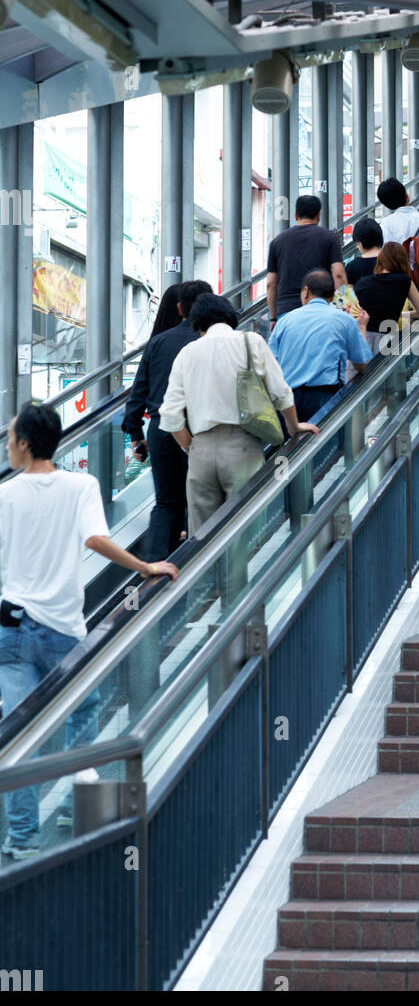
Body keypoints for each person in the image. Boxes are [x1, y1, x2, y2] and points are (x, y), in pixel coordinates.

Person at [0, 404, 179, 857]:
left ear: (24, 443)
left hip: (13, 626)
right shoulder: (81, 485)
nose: (6, 445)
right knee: (83, 709)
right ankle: (76, 788)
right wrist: (145, 565)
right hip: (62, 627)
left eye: (9, 437)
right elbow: (96, 539)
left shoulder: (6, 495)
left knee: (20, 733)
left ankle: (22, 840)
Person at [159, 294, 318, 530]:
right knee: (245, 531)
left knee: (202, 538)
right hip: (242, 447)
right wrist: (294, 426)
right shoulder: (250, 342)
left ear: (198, 323)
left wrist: (190, 446)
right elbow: (280, 392)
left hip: (201, 451)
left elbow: (170, 415)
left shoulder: (187, 353)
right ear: (229, 316)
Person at [122, 278, 213, 560]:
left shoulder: (158, 342)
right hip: (200, 429)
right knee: (197, 502)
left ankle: (154, 569)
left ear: (179, 307)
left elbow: (138, 392)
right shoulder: (208, 342)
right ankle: (191, 564)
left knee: (165, 503)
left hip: (161, 429)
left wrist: (136, 434)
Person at [269, 270, 373, 421]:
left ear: (306, 291)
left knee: (290, 442)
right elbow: (361, 364)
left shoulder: (284, 321)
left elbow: (271, 363)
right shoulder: (344, 320)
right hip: (324, 396)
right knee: (323, 441)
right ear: (332, 297)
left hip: (287, 399)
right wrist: (362, 327)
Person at [266, 195, 347, 330]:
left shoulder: (277, 241)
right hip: (320, 311)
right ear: (319, 214)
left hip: (287, 313)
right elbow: (338, 274)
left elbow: (270, 283)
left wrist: (273, 317)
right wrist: (343, 309)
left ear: (296, 215)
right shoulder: (330, 238)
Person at [355, 243, 419, 351]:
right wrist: (401, 314)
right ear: (403, 261)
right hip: (388, 341)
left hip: (361, 338)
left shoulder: (362, 283)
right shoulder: (404, 281)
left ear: (380, 260)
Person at [376, 179, 419, 267]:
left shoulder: (385, 225)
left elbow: (383, 254)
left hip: (397, 276)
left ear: (387, 205)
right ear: (407, 196)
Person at [345, 217, 384, 285]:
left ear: (359, 242)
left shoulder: (352, 267)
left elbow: (344, 293)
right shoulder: (392, 262)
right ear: (380, 238)